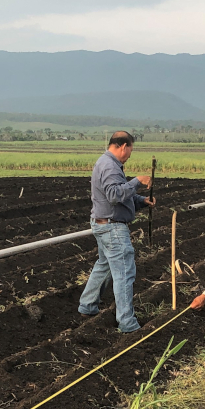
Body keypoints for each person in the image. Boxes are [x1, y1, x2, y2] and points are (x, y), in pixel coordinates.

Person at [78, 130, 154, 334]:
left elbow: (117, 194)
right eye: (130, 149)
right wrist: (137, 181)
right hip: (112, 227)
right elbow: (114, 195)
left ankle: (87, 305)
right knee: (124, 273)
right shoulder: (110, 166)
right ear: (123, 146)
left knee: (104, 266)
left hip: (103, 224)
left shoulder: (106, 163)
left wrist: (141, 201)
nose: (130, 154)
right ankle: (127, 323)